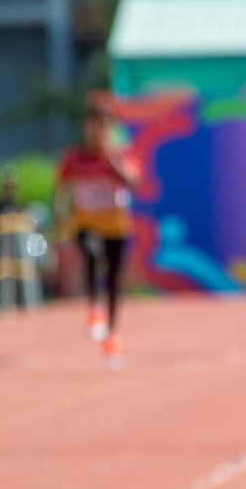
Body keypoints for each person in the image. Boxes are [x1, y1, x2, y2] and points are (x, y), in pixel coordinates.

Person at [54, 92, 141, 368]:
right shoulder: (75, 157)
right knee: (91, 254)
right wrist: (59, 211)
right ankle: (94, 308)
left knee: (114, 279)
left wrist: (113, 159)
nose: (99, 128)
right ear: (86, 125)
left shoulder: (121, 154)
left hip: (115, 225)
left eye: (105, 123)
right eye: (94, 122)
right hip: (87, 223)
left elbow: (133, 180)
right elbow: (61, 188)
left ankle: (113, 334)